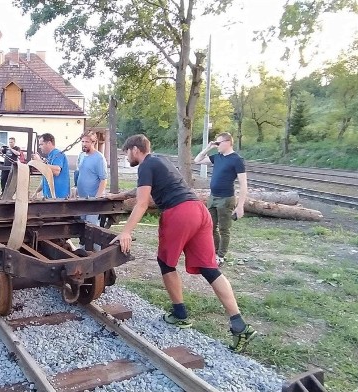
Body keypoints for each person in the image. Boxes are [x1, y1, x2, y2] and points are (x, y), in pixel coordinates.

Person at [109, 134, 256, 352]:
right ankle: (239, 325)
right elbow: (148, 191)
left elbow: (141, 203)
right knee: (209, 268)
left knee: (166, 263)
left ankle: (180, 314)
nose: (126, 156)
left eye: (126, 152)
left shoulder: (145, 166)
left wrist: (126, 232)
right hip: (199, 210)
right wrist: (122, 195)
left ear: (135, 149)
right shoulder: (160, 161)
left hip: (179, 213)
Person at [193, 132, 248, 265]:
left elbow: (243, 183)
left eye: (219, 143)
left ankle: (221, 255)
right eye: (216, 143)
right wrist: (208, 147)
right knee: (210, 226)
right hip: (213, 197)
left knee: (224, 229)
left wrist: (240, 206)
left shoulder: (236, 159)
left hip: (226, 198)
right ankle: (215, 251)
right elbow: (197, 160)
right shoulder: (218, 157)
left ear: (228, 142)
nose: (217, 146)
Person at [74, 133, 108, 223]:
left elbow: (103, 179)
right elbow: (80, 172)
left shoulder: (99, 158)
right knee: (81, 226)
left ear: (93, 143)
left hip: (92, 199)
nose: (84, 144)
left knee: (92, 227)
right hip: (82, 198)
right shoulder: (81, 155)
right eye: (83, 142)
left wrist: (97, 198)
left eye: (87, 142)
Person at [31, 133, 70, 199]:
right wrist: (36, 192)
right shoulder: (49, 157)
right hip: (49, 196)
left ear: (49, 143)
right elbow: (46, 178)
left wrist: (40, 161)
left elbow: (56, 171)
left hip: (59, 197)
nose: (39, 147)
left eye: (41, 144)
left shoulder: (57, 154)